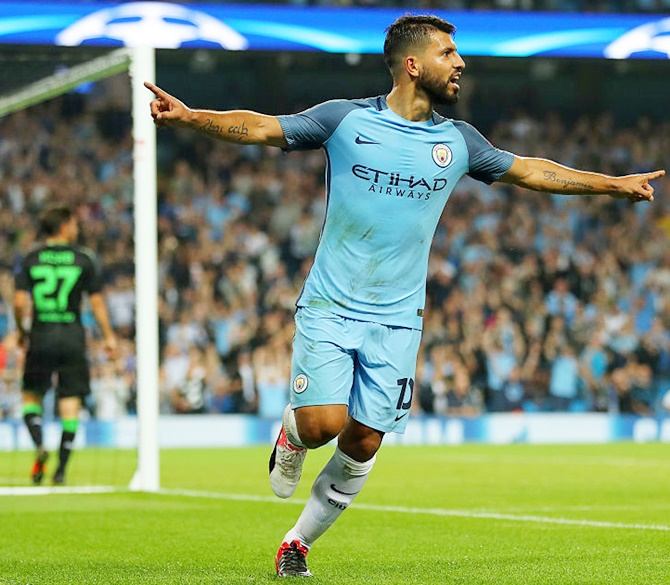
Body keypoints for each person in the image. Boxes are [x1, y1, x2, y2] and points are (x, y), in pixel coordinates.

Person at [145, 14, 664, 577]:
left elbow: (532, 171)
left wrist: (611, 184)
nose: (460, 62)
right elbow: (266, 128)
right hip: (332, 303)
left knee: (365, 441)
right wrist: (191, 117)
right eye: (448, 53)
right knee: (322, 424)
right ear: (413, 65)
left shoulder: (458, 141)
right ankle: (292, 437)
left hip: (397, 318)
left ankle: (297, 543)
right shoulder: (344, 120)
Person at [14, 204, 117, 485]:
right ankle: (60, 471)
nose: (76, 228)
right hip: (72, 337)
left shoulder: (31, 259)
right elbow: (95, 301)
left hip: (41, 335)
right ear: (63, 226)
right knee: (70, 404)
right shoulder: (83, 258)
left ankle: (38, 443)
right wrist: (108, 335)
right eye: (73, 223)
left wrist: (23, 331)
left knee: (32, 396)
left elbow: (20, 302)